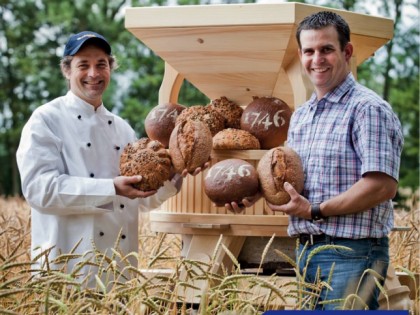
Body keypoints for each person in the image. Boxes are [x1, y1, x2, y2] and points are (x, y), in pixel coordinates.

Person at [227, 11, 403, 310]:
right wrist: (254, 191)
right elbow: (297, 179)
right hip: (307, 250)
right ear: (300, 55)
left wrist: (315, 211)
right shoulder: (302, 116)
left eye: (326, 49)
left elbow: (381, 185)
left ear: (347, 52)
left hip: (353, 252)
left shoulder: (367, 109)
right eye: (309, 51)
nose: (316, 59)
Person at [16, 31, 206, 287]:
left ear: (110, 69)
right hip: (66, 277)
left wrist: (175, 173)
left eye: (101, 64)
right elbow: (40, 191)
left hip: (119, 277)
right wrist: (111, 187)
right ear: (67, 71)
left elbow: (137, 202)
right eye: (83, 65)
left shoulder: (123, 129)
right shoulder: (45, 120)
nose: (93, 73)